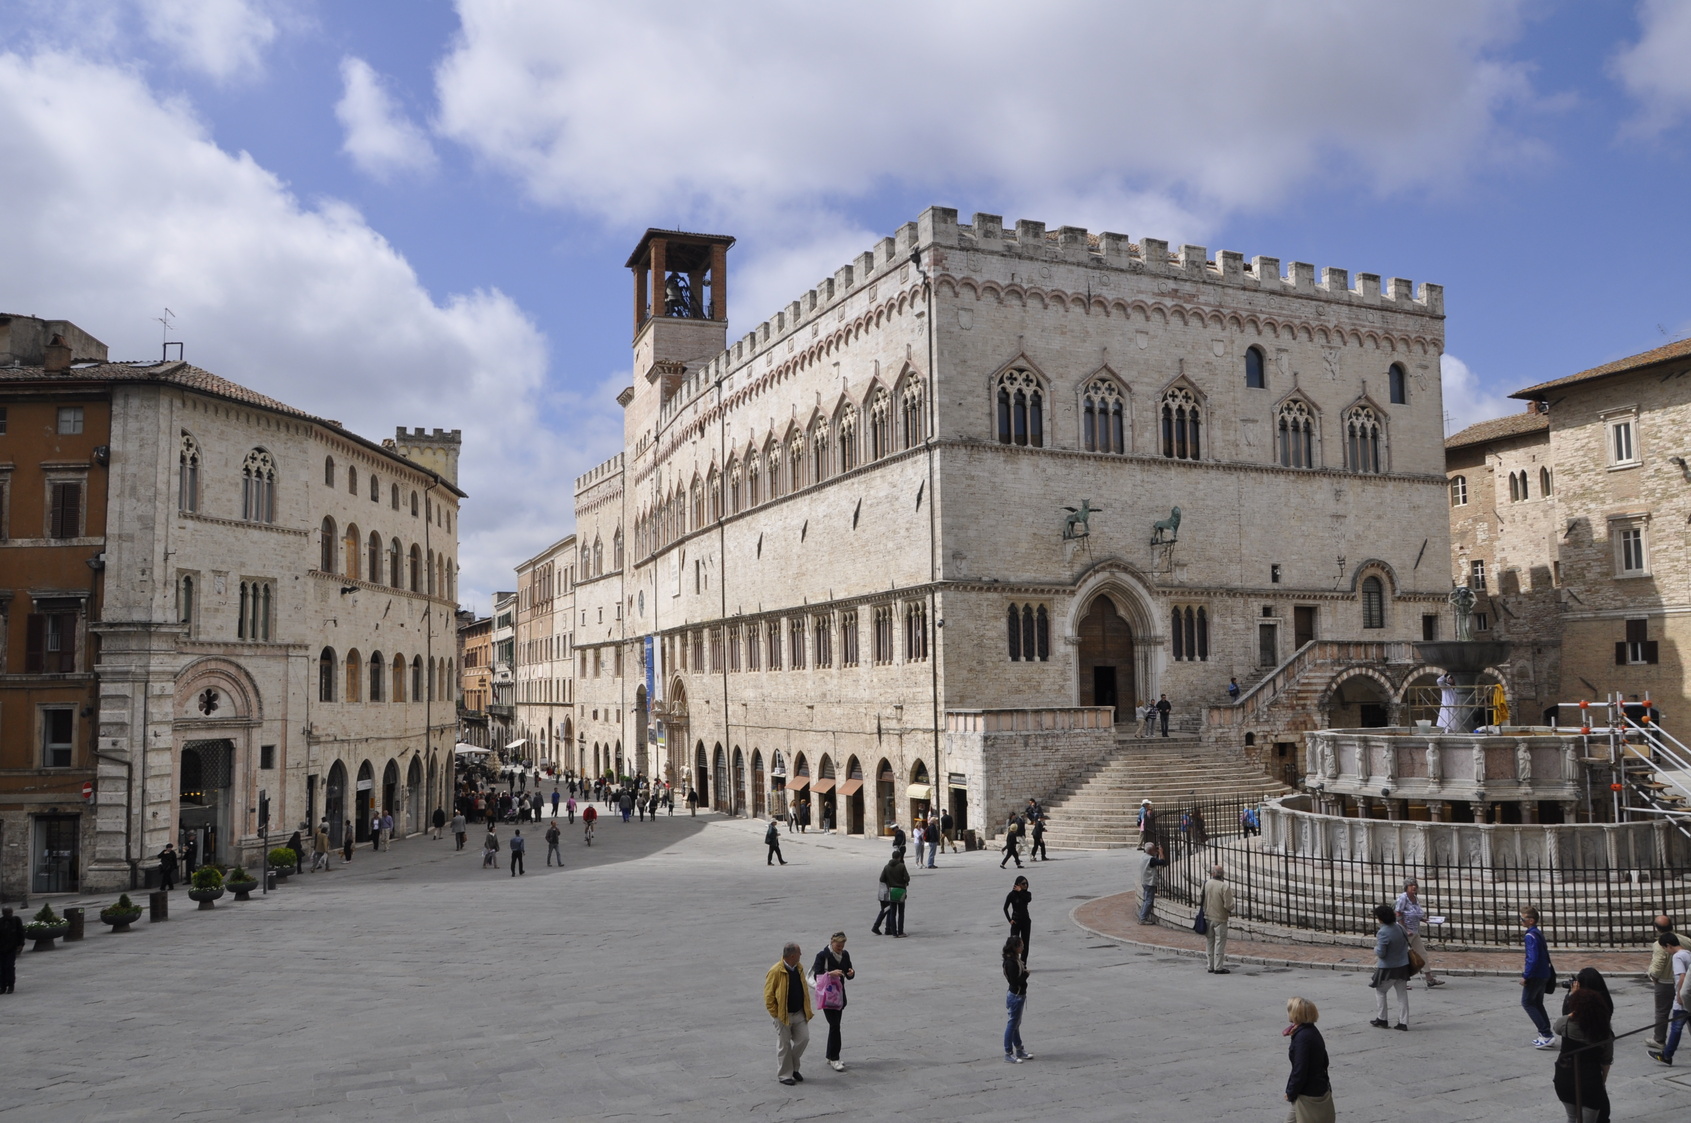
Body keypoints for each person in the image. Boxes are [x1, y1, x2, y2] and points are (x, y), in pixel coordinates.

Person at [1555, 979, 1614, 1121]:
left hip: (1565, 1078)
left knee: (1571, 1118)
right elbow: (1606, 1061)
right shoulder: (1604, 1031)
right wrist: (1602, 1083)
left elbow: (1556, 1028)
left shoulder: (1565, 1023)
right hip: (1590, 1081)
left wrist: (1573, 1002)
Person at [763, 941, 813, 1085]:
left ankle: (793, 1067)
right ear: (792, 955)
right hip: (783, 1015)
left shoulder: (799, 968)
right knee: (784, 1045)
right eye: (799, 953)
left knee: (804, 1039)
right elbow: (768, 995)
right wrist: (776, 1014)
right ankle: (785, 1075)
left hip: (799, 1013)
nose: (801, 955)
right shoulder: (775, 971)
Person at [1283, 996, 1333, 1123]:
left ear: (1295, 1014)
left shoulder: (1303, 1038)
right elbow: (1324, 1061)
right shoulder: (1311, 1031)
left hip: (1308, 1094)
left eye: (1289, 1010)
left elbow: (1300, 1069)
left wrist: (1291, 1091)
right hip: (1317, 1087)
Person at [812, 933, 855, 1072]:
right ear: (832, 942)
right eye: (838, 946)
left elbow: (849, 972)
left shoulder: (845, 954)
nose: (840, 949)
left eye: (842, 946)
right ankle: (835, 1058)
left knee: (835, 1026)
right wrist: (830, 973)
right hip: (827, 996)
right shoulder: (822, 955)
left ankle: (830, 1055)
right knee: (835, 1025)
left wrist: (851, 973)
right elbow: (816, 974)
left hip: (839, 996)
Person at [1648, 933, 1689, 1066]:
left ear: (1668, 945)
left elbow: (1681, 977)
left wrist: (1679, 996)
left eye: (1665, 949)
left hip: (1682, 998)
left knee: (1676, 1028)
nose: (1666, 951)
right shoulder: (1688, 953)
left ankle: (1667, 1055)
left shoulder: (1677, 957)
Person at [1394, 879, 1443, 988]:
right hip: (1406, 932)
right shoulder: (1403, 897)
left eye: (1415, 885)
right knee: (1405, 956)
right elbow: (1398, 913)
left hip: (1414, 931)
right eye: (1411, 885)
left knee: (1422, 953)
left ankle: (1429, 979)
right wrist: (1405, 929)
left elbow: (1414, 913)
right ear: (1406, 887)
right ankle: (1402, 980)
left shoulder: (1414, 898)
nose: (1414, 887)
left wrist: (1423, 919)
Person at [1369, 902, 1411, 1031]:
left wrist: (1375, 949)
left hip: (1388, 967)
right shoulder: (1399, 927)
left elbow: (1381, 953)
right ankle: (1403, 1022)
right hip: (1403, 965)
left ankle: (1382, 1018)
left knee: (1380, 991)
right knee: (1402, 994)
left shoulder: (1383, 932)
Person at [1521, 905, 1557, 1048]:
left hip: (1535, 975)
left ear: (1531, 920)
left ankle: (1546, 1033)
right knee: (1537, 1003)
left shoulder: (1530, 936)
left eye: (1522, 919)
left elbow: (1532, 958)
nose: (1521, 921)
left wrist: (1526, 976)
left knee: (1527, 1002)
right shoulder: (1537, 933)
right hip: (1544, 973)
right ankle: (1545, 1033)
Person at [1647, 915, 1679, 1052]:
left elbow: (1658, 965)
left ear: (1657, 928)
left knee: (1662, 1012)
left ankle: (1659, 1039)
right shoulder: (1685, 940)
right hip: (1681, 980)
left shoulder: (1660, 943)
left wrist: (1653, 976)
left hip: (1665, 982)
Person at [1201, 864, 1235, 973]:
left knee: (1209, 941)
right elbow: (1229, 905)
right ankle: (1218, 966)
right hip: (1220, 918)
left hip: (1207, 916)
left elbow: (1200, 898)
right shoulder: (1224, 887)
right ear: (1222, 874)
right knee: (1220, 942)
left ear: (1212, 873)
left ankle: (1210, 965)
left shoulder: (1206, 884)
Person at [1002, 935, 1031, 1063]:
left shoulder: (1014, 959)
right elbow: (1015, 981)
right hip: (1016, 996)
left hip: (1018, 995)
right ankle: (1008, 1052)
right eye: (1020, 945)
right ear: (1014, 947)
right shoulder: (1011, 963)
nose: (1022, 947)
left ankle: (1019, 1049)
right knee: (1012, 1024)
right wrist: (1025, 975)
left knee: (1016, 1024)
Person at [873, 849, 910, 936]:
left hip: (891, 890)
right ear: (899, 857)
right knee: (901, 912)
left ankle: (893, 932)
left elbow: (882, 879)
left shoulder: (886, 867)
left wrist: (889, 882)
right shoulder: (901, 866)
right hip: (900, 890)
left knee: (892, 912)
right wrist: (903, 881)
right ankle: (900, 931)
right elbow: (907, 878)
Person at [1004, 875, 1033, 961]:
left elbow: (1027, 899)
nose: (1025, 885)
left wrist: (1020, 891)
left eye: (1026, 883)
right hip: (1016, 922)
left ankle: (1023, 964)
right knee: (1013, 943)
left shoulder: (1027, 894)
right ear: (1018, 884)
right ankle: (1013, 962)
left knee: (1025, 944)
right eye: (1023, 884)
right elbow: (1005, 908)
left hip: (1026, 921)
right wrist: (1009, 920)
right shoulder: (1011, 895)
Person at [1138, 843, 1167, 924]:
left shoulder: (1143, 856)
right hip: (1149, 882)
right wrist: (1161, 852)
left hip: (1144, 881)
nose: (1156, 850)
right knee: (1148, 901)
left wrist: (1155, 852)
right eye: (1154, 849)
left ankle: (1141, 916)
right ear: (1150, 850)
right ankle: (1143, 919)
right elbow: (1162, 862)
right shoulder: (1150, 859)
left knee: (1145, 900)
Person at [0, 905, 24, 993]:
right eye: (5, 913)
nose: (8, 915)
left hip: (11, 947)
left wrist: (21, 944)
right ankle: (2, 986)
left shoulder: (16, 921)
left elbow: (21, 932)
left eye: (9, 913)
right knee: (2, 968)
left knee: (9, 966)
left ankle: (10, 985)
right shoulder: (1, 922)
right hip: (2, 948)